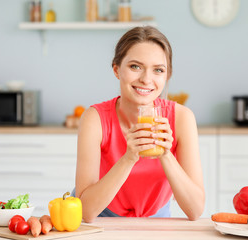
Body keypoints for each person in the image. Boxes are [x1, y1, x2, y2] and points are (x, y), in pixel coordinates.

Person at [75, 26, 204, 222]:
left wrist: (166, 153)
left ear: (166, 76)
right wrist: (128, 158)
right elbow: (85, 212)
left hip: (156, 221)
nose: (146, 79)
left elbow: (195, 211)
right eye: (135, 66)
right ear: (117, 70)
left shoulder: (183, 118)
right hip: (102, 219)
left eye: (158, 70)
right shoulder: (95, 119)